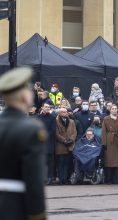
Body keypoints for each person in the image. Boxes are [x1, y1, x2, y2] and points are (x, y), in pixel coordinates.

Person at [0, 67, 47, 220]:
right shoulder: (31, 130)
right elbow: (34, 181)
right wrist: (38, 215)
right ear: (24, 97)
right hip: (15, 208)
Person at [102, 104, 118, 184]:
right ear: (110, 110)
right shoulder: (106, 119)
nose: (114, 110)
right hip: (109, 140)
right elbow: (104, 131)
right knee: (109, 161)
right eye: (113, 109)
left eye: (115, 108)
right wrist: (104, 143)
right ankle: (109, 179)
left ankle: (117, 180)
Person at [56, 108, 77, 184]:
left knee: (68, 164)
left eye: (66, 112)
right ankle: (61, 179)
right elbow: (56, 133)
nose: (65, 113)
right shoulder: (56, 121)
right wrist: (64, 140)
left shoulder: (71, 121)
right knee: (61, 164)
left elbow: (74, 132)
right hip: (60, 146)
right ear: (59, 113)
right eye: (63, 112)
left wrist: (71, 140)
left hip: (70, 146)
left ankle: (66, 179)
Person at [38, 103, 56, 185]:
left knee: (50, 162)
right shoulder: (38, 117)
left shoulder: (52, 117)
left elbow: (53, 130)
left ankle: (50, 177)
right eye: (46, 107)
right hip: (39, 144)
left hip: (49, 143)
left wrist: (44, 136)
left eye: (49, 107)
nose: (48, 108)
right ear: (42, 108)